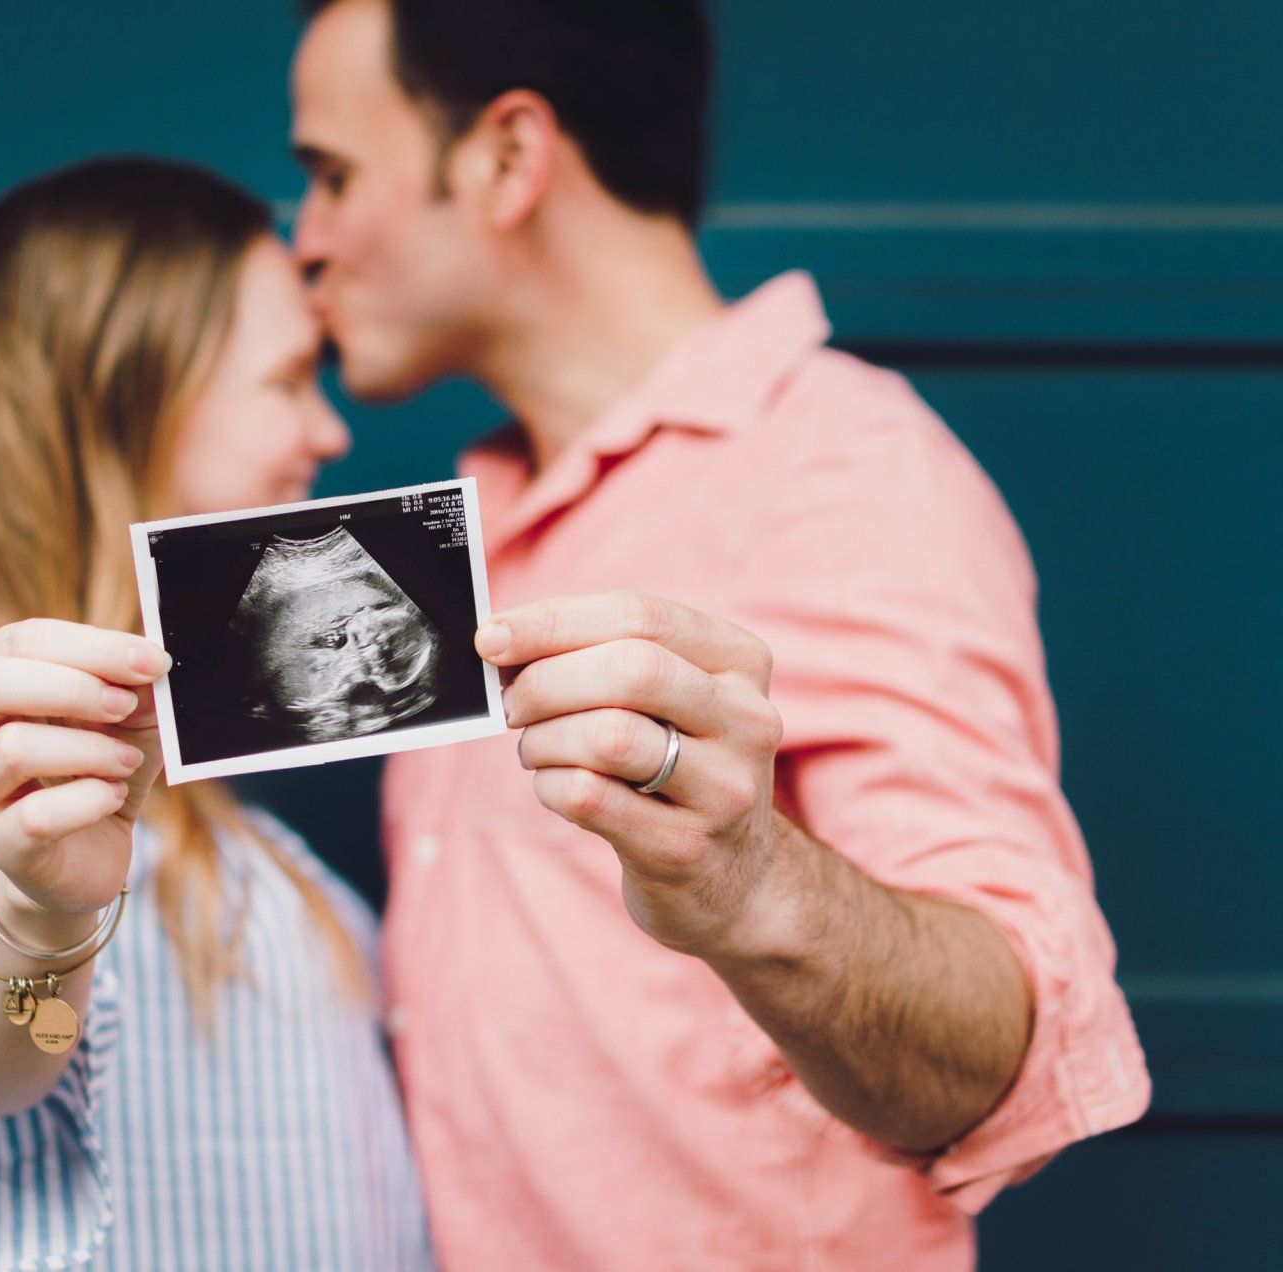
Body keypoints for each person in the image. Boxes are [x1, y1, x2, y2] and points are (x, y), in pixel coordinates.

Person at [287, 0, 1151, 1267]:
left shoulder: (839, 472)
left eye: (333, 175)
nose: (303, 242)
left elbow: (1004, 1056)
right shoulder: (470, 527)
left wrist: (751, 884)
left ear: (509, 158)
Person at [0, 156, 432, 1271]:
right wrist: (36, 914)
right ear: (122, 398)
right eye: (285, 381)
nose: (328, 434)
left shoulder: (178, 779)